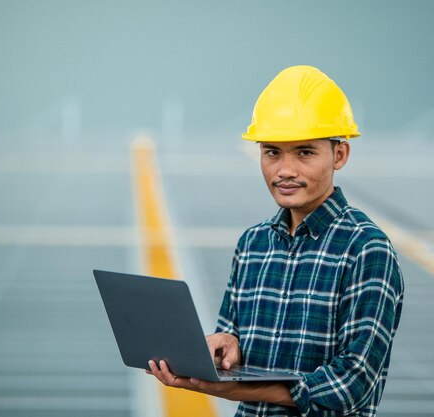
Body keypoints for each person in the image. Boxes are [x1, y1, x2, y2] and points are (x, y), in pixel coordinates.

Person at [147, 65, 404, 417]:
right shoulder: (252, 245)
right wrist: (224, 347)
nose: (285, 170)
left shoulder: (365, 249)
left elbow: (352, 384)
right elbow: (232, 343)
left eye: (304, 152)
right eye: (272, 152)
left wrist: (234, 388)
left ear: (340, 155)